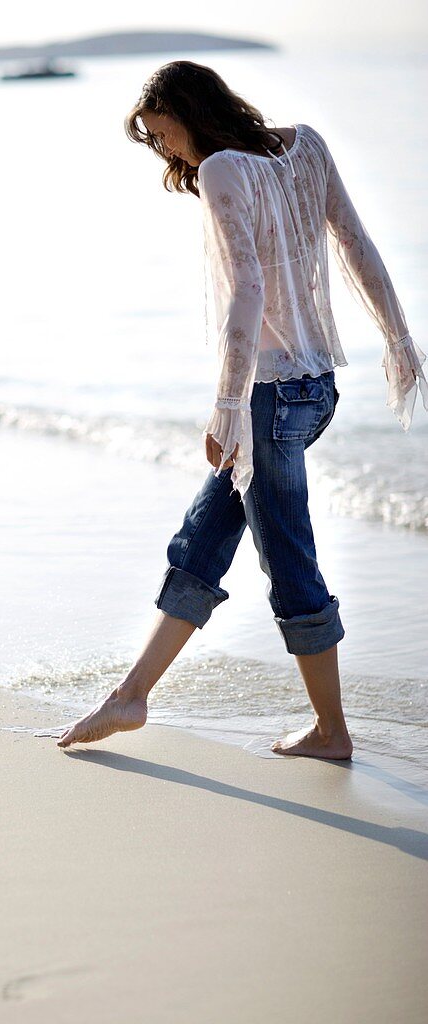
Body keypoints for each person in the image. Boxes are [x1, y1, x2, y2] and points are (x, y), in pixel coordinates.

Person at [56, 59, 427, 756]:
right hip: (316, 392)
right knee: (203, 540)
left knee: (289, 563)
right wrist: (397, 336)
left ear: (190, 111)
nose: (167, 152)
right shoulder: (307, 145)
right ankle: (130, 696)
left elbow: (245, 293)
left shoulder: (225, 169)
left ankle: (331, 730)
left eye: (164, 134)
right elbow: (356, 242)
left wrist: (226, 406)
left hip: (267, 399)